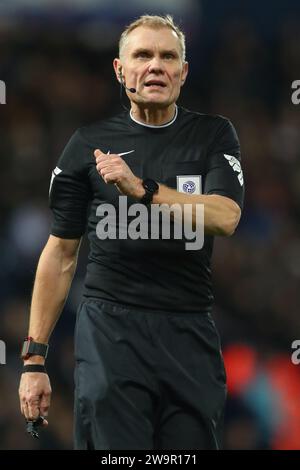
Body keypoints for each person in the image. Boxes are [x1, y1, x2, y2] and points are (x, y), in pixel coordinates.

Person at [19, 14, 244, 450]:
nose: (155, 66)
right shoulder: (87, 145)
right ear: (120, 71)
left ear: (183, 72)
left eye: (168, 56)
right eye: (142, 55)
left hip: (189, 329)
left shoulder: (214, 135)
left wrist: (143, 190)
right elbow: (61, 253)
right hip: (111, 330)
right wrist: (33, 360)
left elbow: (226, 217)